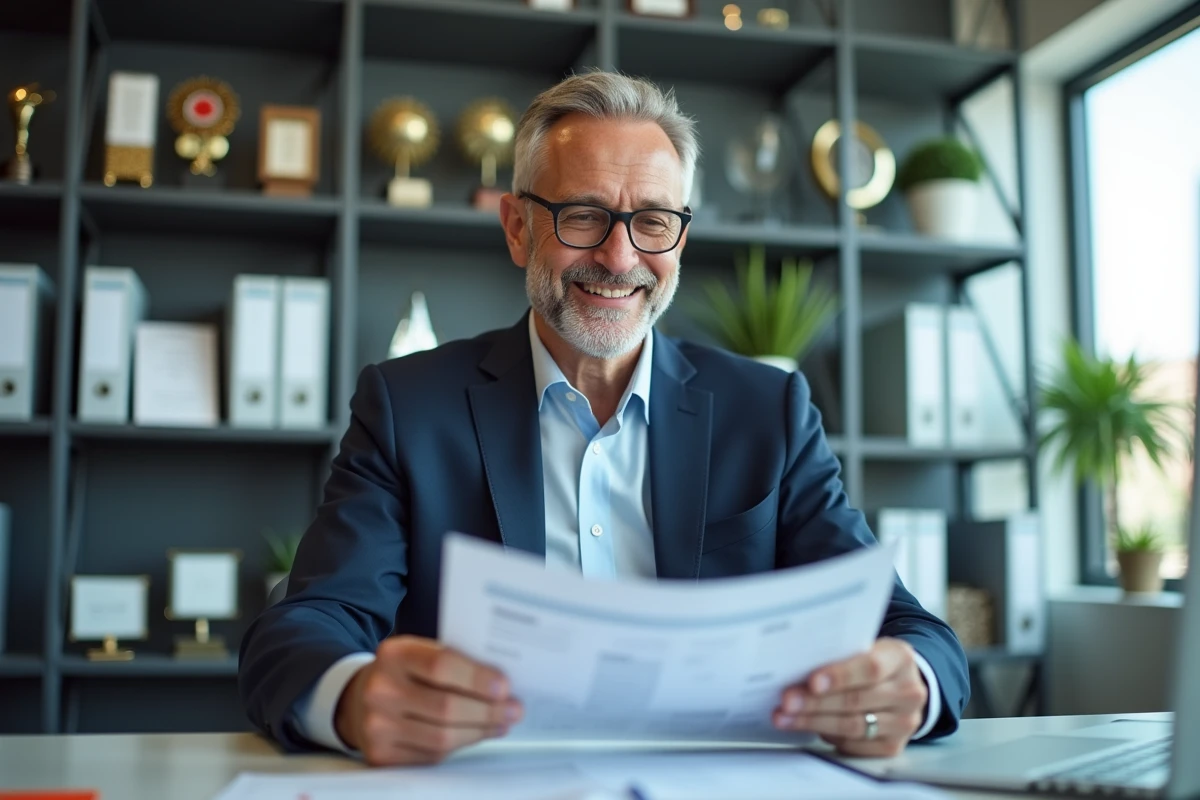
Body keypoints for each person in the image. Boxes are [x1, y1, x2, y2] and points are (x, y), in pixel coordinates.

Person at [238, 71, 970, 767]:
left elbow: (911, 632)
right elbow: (302, 629)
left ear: (679, 238)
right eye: (584, 215)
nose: (620, 257)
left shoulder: (767, 411)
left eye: (652, 220)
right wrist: (355, 698)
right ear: (519, 228)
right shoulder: (409, 407)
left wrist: (906, 685)